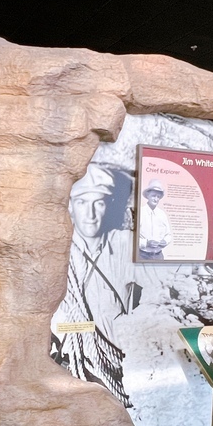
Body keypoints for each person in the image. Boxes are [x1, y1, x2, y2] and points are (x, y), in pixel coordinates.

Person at [51, 164, 136, 406]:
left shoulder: (121, 245)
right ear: (71, 207)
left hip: (115, 359)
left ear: (107, 205)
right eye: (82, 203)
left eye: (98, 203)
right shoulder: (56, 251)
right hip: (65, 360)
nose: (90, 214)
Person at [138, 179, 172, 260]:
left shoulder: (162, 214)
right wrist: (146, 243)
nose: (156, 199)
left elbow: (168, 235)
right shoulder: (140, 212)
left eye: (158, 196)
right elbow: (132, 237)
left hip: (158, 256)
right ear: (148, 196)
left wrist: (165, 241)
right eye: (153, 196)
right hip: (142, 255)